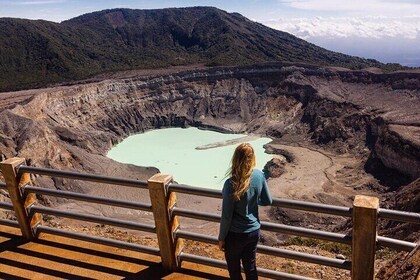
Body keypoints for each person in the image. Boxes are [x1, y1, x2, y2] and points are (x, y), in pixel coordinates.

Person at [218, 143, 272, 280]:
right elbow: (267, 200)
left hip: (235, 235)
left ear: (235, 158)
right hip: (253, 232)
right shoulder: (259, 176)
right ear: (252, 157)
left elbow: (226, 215)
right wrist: (253, 202)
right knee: (251, 267)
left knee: (234, 269)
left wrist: (221, 238)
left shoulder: (231, 184)